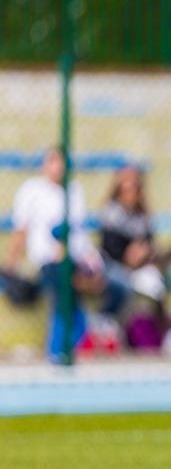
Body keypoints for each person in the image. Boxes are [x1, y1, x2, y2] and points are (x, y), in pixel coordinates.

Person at [5, 148, 111, 362]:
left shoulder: (74, 191)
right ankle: (66, 342)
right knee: (61, 280)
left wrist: (92, 261)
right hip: (45, 262)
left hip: (73, 260)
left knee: (103, 282)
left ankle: (68, 342)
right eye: (53, 162)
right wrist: (11, 264)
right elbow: (21, 231)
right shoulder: (32, 190)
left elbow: (79, 234)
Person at [99, 166, 171, 354]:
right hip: (115, 266)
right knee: (127, 283)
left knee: (155, 281)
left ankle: (167, 334)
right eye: (126, 188)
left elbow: (148, 243)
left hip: (142, 265)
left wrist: (145, 254)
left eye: (134, 188)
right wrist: (130, 256)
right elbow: (111, 250)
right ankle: (113, 332)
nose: (131, 193)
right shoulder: (111, 214)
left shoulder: (142, 216)